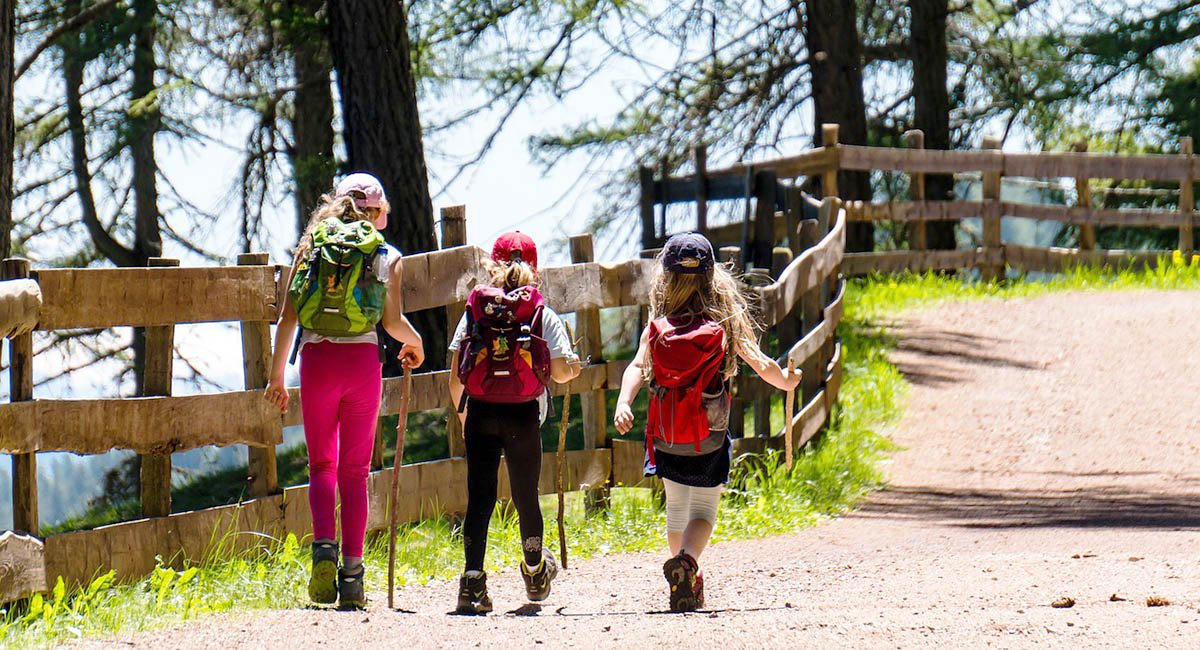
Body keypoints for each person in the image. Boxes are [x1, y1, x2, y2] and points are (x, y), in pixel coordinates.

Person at [613, 232, 800, 612]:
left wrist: (623, 401)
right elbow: (759, 361)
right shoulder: (723, 319)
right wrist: (786, 380)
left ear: (665, 277)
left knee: (677, 510)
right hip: (709, 436)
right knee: (703, 513)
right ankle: (687, 563)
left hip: (666, 436)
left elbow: (636, 366)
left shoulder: (659, 322)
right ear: (713, 276)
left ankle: (685, 571)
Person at [264, 173, 424, 609]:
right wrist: (416, 342)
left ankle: (322, 551)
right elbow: (391, 323)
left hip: (317, 363)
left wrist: (277, 377)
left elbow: (288, 319)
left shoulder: (311, 247)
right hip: (361, 365)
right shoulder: (386, 255)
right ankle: (352, 576)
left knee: (321, 467)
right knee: (355, 473)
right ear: (378, 212)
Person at [448, 231, 581, 614]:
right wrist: (573, 367)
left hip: (481, 412)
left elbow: (456, 374)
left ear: (492, 265)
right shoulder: (541, 313)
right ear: (534, 268)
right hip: (523, 414)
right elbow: (558, 371)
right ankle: (536, 573)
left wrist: (463, 415)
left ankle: (472, 584)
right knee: (526, 497)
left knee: (480, 499)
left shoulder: (475, 312)